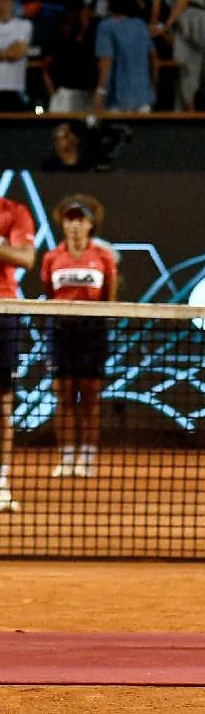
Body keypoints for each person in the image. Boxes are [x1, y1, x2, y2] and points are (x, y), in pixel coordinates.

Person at [41, 195, 118, 479]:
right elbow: (49, 293)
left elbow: (110, 297)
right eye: (70, 219)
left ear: (90, 225)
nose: (74, 225)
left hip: (92, 332)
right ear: (63, 224)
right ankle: (66, 457)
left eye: (80, 220)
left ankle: (86, 458)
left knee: (90, 395)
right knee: (63, 394)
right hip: (61, 330)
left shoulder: (103, 257)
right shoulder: (52, 257)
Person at [0, 193, 35, 512]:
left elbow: (26, 258)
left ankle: (1, 483)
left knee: (3, 403)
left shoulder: (15, 212)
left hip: (3, 309)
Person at [94, 0, 157, 113]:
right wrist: (152, 89)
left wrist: (100, 91)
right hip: (143, 98)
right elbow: (154, 60)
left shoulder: (106, 27)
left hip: (117, 101)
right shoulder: (141, 26)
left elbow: (106, 61)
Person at [42, 7, 98, 113]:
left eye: (87, 16)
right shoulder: (60, 40)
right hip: (65, 94)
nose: (85, 19)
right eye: (83, 16)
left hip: (89, 95)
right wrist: (53, 93)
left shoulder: (93, 40)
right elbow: (45, 68)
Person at [0, 0, 33, 112]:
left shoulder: (24, 26)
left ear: (13, 3)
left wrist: (10, 52)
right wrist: (8, 51)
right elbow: (12, 52)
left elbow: (17, 53)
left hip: (14, 89)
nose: (1, 3)